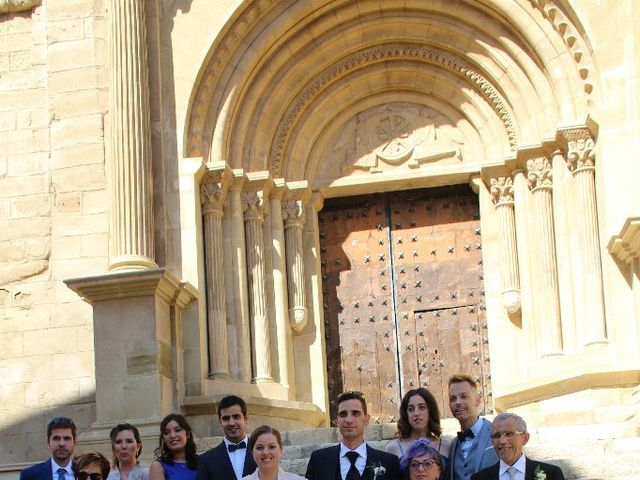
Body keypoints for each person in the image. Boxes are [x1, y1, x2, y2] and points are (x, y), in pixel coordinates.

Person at [305, 391, 401, 480]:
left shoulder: (389, 462)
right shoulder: (319, 460)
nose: (348, 420)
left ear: (366, 419)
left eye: (355, 413)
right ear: (337, 421)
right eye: (343, 414)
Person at [470, 413, 564, 480]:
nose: (502, 441)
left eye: (509, 434)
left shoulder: (551, 474)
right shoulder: (480, 478)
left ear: (525, 438)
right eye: (497, 436)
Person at [444, 375, 497, 480]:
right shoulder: (453, 445)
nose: (458, 402)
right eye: (453, 398)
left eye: (464, 396)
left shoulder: (496, 433)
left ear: (478, 400)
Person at [196, 395, 257, 480]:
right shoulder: (206, 460)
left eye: (236, 417)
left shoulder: (262, 453)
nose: (231, 423)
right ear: (220, 422)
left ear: (246, 418)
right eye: (226, 418)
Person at [386, 388, 451, 465]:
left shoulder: (445, 446)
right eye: (411, 409)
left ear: (430, 411)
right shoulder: (393, 448)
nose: (416, 413)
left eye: (421, 407)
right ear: (406, 414)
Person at [149, 413, 198, 480]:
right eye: (166, 433)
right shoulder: (158, 466)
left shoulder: (202, 462)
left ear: (187, 434)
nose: (172, 435)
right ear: (163, 438)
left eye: (177, 430)